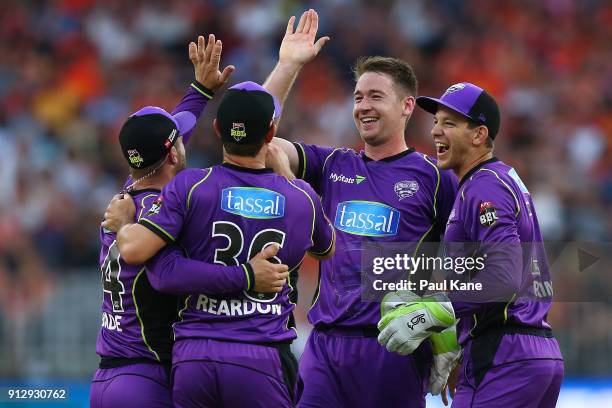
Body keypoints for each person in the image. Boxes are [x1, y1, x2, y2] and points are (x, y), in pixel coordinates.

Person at [262, 9, 458, 407]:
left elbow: (476, 259)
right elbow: (257, 141)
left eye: (375, 96)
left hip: (393, 348)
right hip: (325, 346)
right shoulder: (334, 165)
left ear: (406, 106)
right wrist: (287, 66)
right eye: (357, 97)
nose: (363, 106)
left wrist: (448, 330)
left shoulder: (435, 178)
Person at [105, 81, 336, 407]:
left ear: (216, 130)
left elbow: (161, 269)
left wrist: (124, 224)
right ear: (271, 135)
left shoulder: (189, 186)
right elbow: (327, 248)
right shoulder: (301, 197)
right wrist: (290, 178)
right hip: (261, 354)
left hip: (194, 356)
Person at [91, 34, 288, 408]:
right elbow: (174, 272)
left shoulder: (127, 194)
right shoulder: (165, 207)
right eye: (179, 140)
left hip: (108, 378)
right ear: (173, 154)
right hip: (149, 375)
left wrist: (200, 89)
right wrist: (246, 275)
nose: (186, 141)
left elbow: (173, 130)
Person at [377, 82, 564, 407]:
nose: (436, 131)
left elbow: (503, 278)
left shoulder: (483, 188)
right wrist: (453, 341)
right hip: (532, 353)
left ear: (479, 135)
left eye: (449, 123)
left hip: (504, 355)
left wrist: (433, 310)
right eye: (436, 122)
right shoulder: (499, 179)